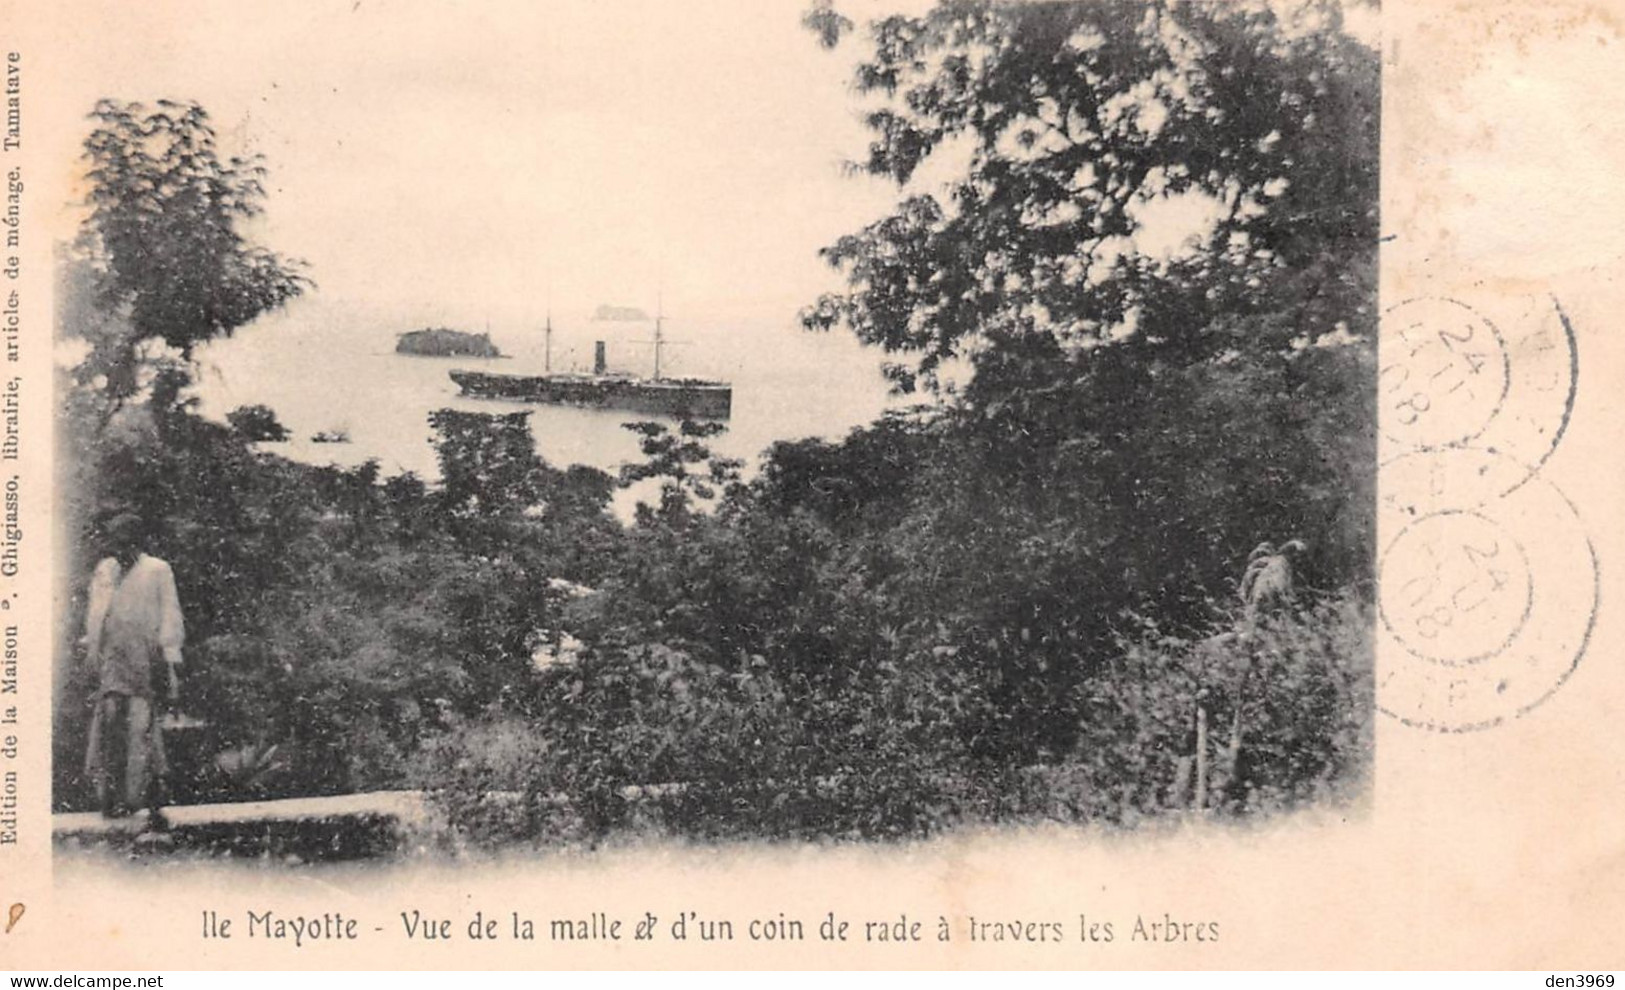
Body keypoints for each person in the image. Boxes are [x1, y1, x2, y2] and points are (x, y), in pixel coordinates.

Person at [81, 512, 185, 828]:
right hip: (113, 660)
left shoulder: (157, 570)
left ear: (137, 540)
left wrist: (170, 660)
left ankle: (152, 800)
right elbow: (96, 615)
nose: (119, 545)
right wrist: (92, 653)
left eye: (125, 538)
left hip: (145, 659)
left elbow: (170, 613)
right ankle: (110, 798)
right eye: (114, 538)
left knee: (144, 726)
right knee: (111, 724)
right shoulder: (105, 571)